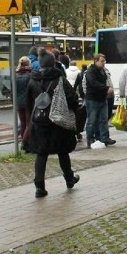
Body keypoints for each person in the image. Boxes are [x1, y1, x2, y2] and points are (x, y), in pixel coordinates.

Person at [26, 50, 80, 197]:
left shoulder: (33, 80)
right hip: (58, 121)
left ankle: (39, 187)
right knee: (63, 152)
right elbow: (72, 98)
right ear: (53, 63)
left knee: (41, 154)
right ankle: (69, 179)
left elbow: (29, 103)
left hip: (39, 122)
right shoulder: (60, 79)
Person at [83, 53, 116, 147]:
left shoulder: (103, 71)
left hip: (102, 98)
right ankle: (90, 139)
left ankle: (104, 138)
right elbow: (93, 83)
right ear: (96, 60)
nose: (103, 63)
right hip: (92, 99)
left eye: (104, 61)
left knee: (104, 119)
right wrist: (106, 88)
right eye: (102, 61)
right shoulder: (90, 71)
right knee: (92, 121)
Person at [15, 56, 33, 142]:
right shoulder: (30, 75)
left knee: (22, 123)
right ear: (28, 64)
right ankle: (25, 143)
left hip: (19, 103)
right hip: (28, 102)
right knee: (28, 123)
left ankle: (23, 139)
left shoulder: (16, 75)